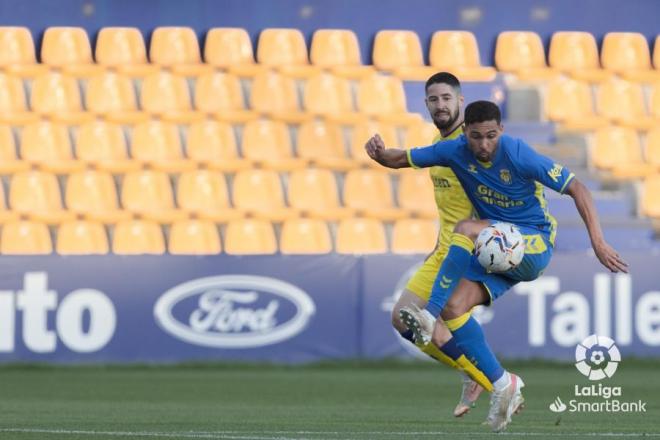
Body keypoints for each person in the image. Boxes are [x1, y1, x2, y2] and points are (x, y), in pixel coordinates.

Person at [365, 100, 628, 432]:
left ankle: (426, 316)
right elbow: (401, 158)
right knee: (454, 307)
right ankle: (503, 384)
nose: (484, 145)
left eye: (491, 136)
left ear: (500, 131)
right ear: (465, 133)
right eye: (476, 137)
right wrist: (378, 154)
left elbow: (577, 187)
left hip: (534, 243)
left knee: (465, 230)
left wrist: (598, 242)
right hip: (494, 247)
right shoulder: (453, 151)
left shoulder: (518, 153)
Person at [390, 73, 491, 417]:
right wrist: (437, 245)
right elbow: (448, 208)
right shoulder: (439, 144)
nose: (440, 105)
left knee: (437, 319)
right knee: (403, 320)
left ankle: (494, 381)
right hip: (444, 248)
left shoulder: (476, 146)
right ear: (426, 105)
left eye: (446, 98)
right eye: (434, 100)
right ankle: (471, 374)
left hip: (468, 250)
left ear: (460, 101)